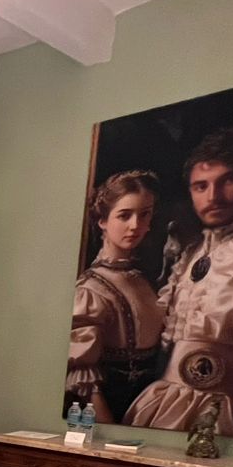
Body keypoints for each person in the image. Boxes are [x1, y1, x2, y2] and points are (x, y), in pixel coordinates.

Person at [124, 128, 233, 437]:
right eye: (201, 186)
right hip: (164, 406)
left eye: (230, 180)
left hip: (230, 415)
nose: (213, 197)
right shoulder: (191, 253)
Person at [65, 170, 164, 424]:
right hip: (112, 406)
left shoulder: (144, 279)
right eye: (124, 215)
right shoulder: (90, 289)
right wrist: (110, 431)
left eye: (144, 214)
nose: (136, 225)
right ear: (102, 221)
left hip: (150, 404)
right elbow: (85, 380)